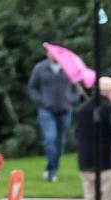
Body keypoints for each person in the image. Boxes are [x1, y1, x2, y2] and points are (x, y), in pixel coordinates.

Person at [27, 53, 80, 182]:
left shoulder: (68, 68)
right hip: (46, 110)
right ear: (48, 53)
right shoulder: (40, 68)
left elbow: (76, 89)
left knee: (60, 142)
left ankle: (52, 167)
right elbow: (32, 88)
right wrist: (41, 101)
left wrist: (71, 100)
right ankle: (52, 172)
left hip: (65, 110)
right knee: (49, 139)